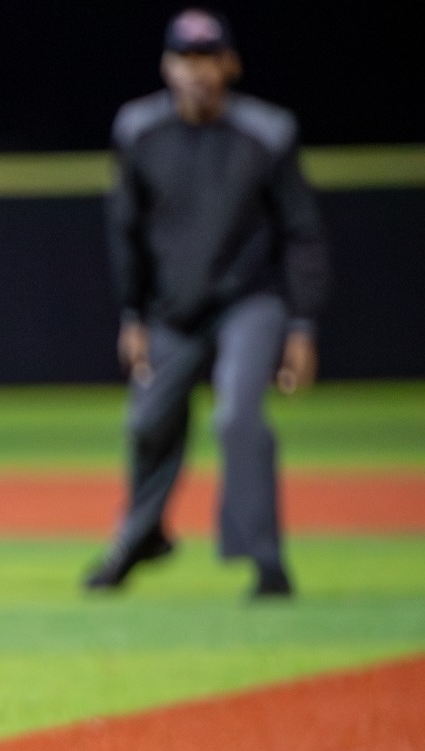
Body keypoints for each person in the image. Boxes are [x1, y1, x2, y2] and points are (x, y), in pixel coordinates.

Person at [87, 8, 328, 599]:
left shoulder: (268, 132)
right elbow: (126, 229)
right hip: (173, 308)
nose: (197, 72)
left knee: (237, 416)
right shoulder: (138, 129)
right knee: (146, 420)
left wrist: (302, 324)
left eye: (208, 58)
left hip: (251, 300)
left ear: (230, 64)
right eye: (185, 59)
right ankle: (140, 538)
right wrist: (133, 314)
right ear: (167, 66)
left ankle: (266, 563)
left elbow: (302, 232)